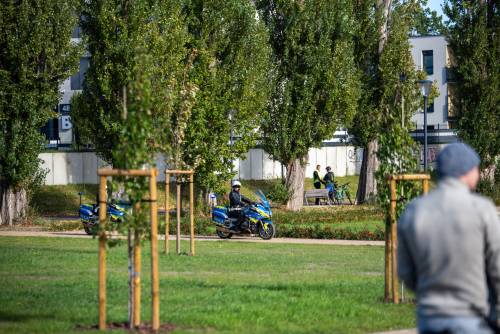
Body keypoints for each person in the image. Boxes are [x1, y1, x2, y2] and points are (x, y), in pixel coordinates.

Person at [398, 143, 500, 334]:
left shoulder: (414, 210)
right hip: (473, 317)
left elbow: (406, 271)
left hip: (430, 318)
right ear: (466, 171)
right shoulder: (482, 210)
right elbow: (497, 266)